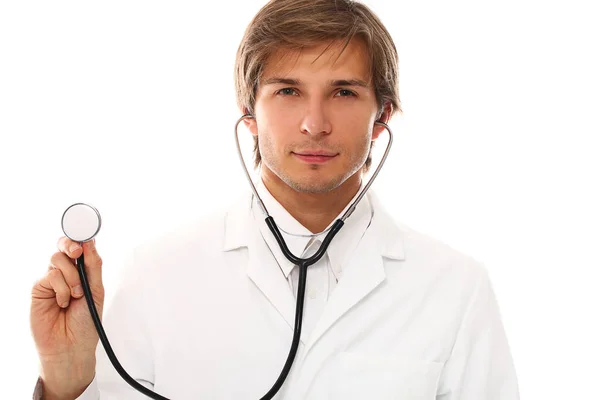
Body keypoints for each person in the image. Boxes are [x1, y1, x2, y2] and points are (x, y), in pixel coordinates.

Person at [30, 0, 520, 398]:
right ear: (248, 112)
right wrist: (64, 383)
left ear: (382, 116)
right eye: (287, 90)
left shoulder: (455, 287)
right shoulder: (156, 274)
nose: (314, 123)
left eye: (344, 92)